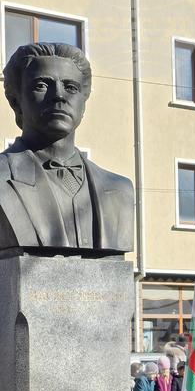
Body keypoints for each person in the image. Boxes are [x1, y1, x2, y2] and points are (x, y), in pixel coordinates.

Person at [0, 43, 134, 253]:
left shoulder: (120, 189)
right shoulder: (2, 176)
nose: (59, 96)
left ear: (83, 104)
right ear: (16, 101)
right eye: (42, 85)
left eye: (71, 87)